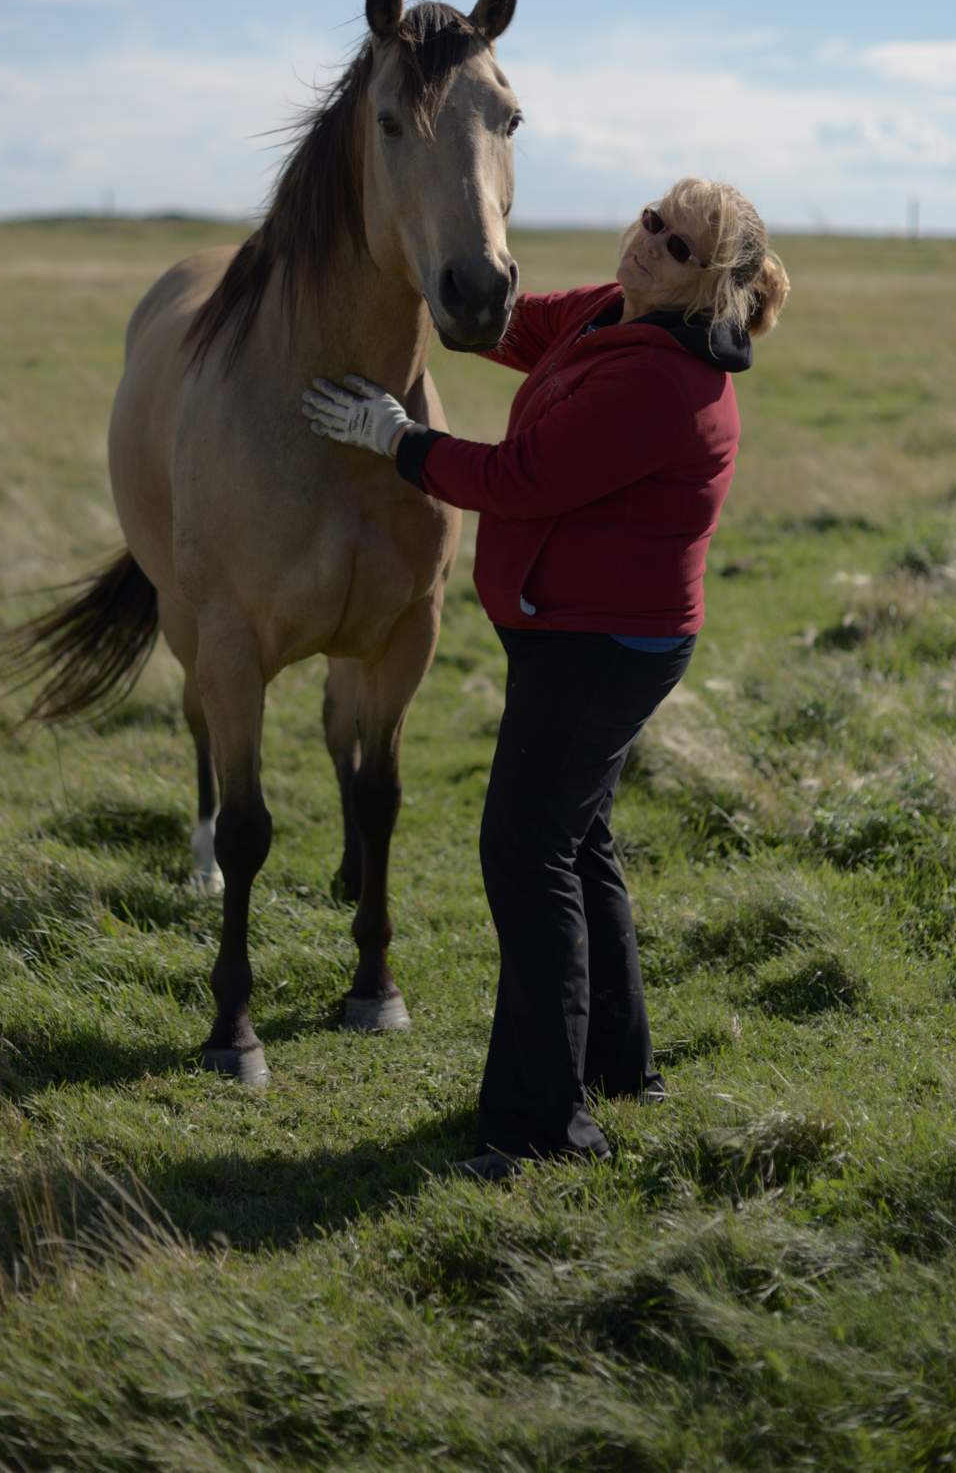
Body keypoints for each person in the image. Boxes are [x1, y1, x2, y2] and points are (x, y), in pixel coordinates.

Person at [302, 177, 790, 1178]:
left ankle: (542, 1130)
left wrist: (398, 440)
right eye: (653, 218)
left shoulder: (667, 382)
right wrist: (432, 280)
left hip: (602, 649)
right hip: (574, 631)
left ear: (714, 289)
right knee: (578, 842)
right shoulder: (617, 309)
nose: (648, 241)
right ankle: (618, 1065)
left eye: (679, 245)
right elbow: (511, 328)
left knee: (527, 856)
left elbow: (517, 477)